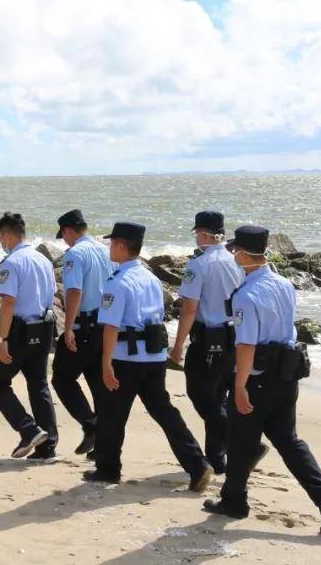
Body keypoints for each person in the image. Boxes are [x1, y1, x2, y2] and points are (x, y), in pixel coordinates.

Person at [203, 226, 321, 535]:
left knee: (242, 439)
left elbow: (246, 345)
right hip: (286, 374)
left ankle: (235, 501)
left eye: (234, 251)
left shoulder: (246, 295)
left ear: (243, 253)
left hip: (258, 378)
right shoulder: (284, 284)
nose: (232, 256)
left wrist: (239, 385)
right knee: (288, 440)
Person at [84, 221, 213, 490]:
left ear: (120, 245)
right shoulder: (151, 278)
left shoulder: (117, 282)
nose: (110, 248)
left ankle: (108, 469)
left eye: (112, 243)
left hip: (125, 358)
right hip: (153, 358)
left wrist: (106, 363)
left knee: (111, 414)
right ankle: (197, 463)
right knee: (165, 412)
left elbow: (111, 326)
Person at [169, 210, 247, 474]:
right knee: (221, 396)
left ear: (203, 233)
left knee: (202, 396)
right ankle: (218, 455)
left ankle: (234, 447)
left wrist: (178, 345)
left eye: (197, 233)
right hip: (236, 337)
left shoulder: (199, 265)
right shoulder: (237, 260)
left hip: (209, 338)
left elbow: (190, 308)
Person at [0, 212, 59, 461]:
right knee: (38, 384)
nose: (1, 241)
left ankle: (28, 429)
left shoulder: (11, 262)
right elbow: (52, 295)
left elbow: (8, 302)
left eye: (0, 237)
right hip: (44, 325)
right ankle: (48, 446)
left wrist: (3, 339)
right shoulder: (43, 260)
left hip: (19, 330)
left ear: (7, 235)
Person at [51, 209, 112, 457]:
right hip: (104, 323)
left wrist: (68, 328)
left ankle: (91, 425)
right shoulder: (105, 250)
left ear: (68, 231)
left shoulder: (75, 254)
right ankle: (103, 444)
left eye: (63, 235)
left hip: (84, 324)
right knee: (98, 384)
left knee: (62, 379)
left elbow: (74, 292)